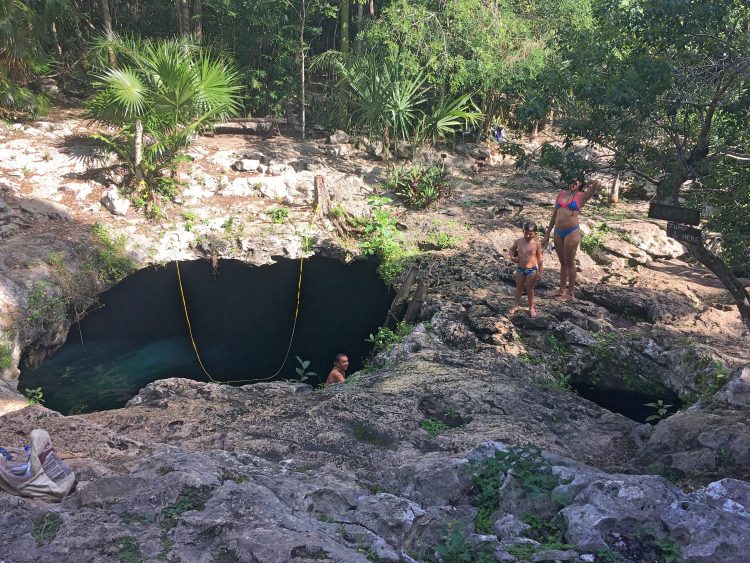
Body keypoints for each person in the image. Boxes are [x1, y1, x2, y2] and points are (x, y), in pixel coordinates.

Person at [542, 176, 602, 301]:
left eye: (575, 182)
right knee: (562, 262)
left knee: (570, 262)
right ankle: (561, 290)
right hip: (558, 231)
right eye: (571, 182)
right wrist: (547, 234)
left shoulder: (582, 196)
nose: (572, 184)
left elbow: (597, 184)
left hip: (572, 232)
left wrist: (585, 182)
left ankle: (570, 294)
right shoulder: (562, 193)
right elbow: (554, 214)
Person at [508, 221, 544, 317]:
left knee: (530, 290)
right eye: (526, 233)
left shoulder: (537, 244)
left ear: (535, 233)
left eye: (530, 234)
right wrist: (512, 257)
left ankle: (531, 307)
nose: (527, 235)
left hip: (532, 270)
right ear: (523, 231)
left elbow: (540, 259)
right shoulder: (519, 241)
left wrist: (540, 271)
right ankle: (516, 305)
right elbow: (511, 250)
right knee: (519, 288)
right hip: (520, 269)